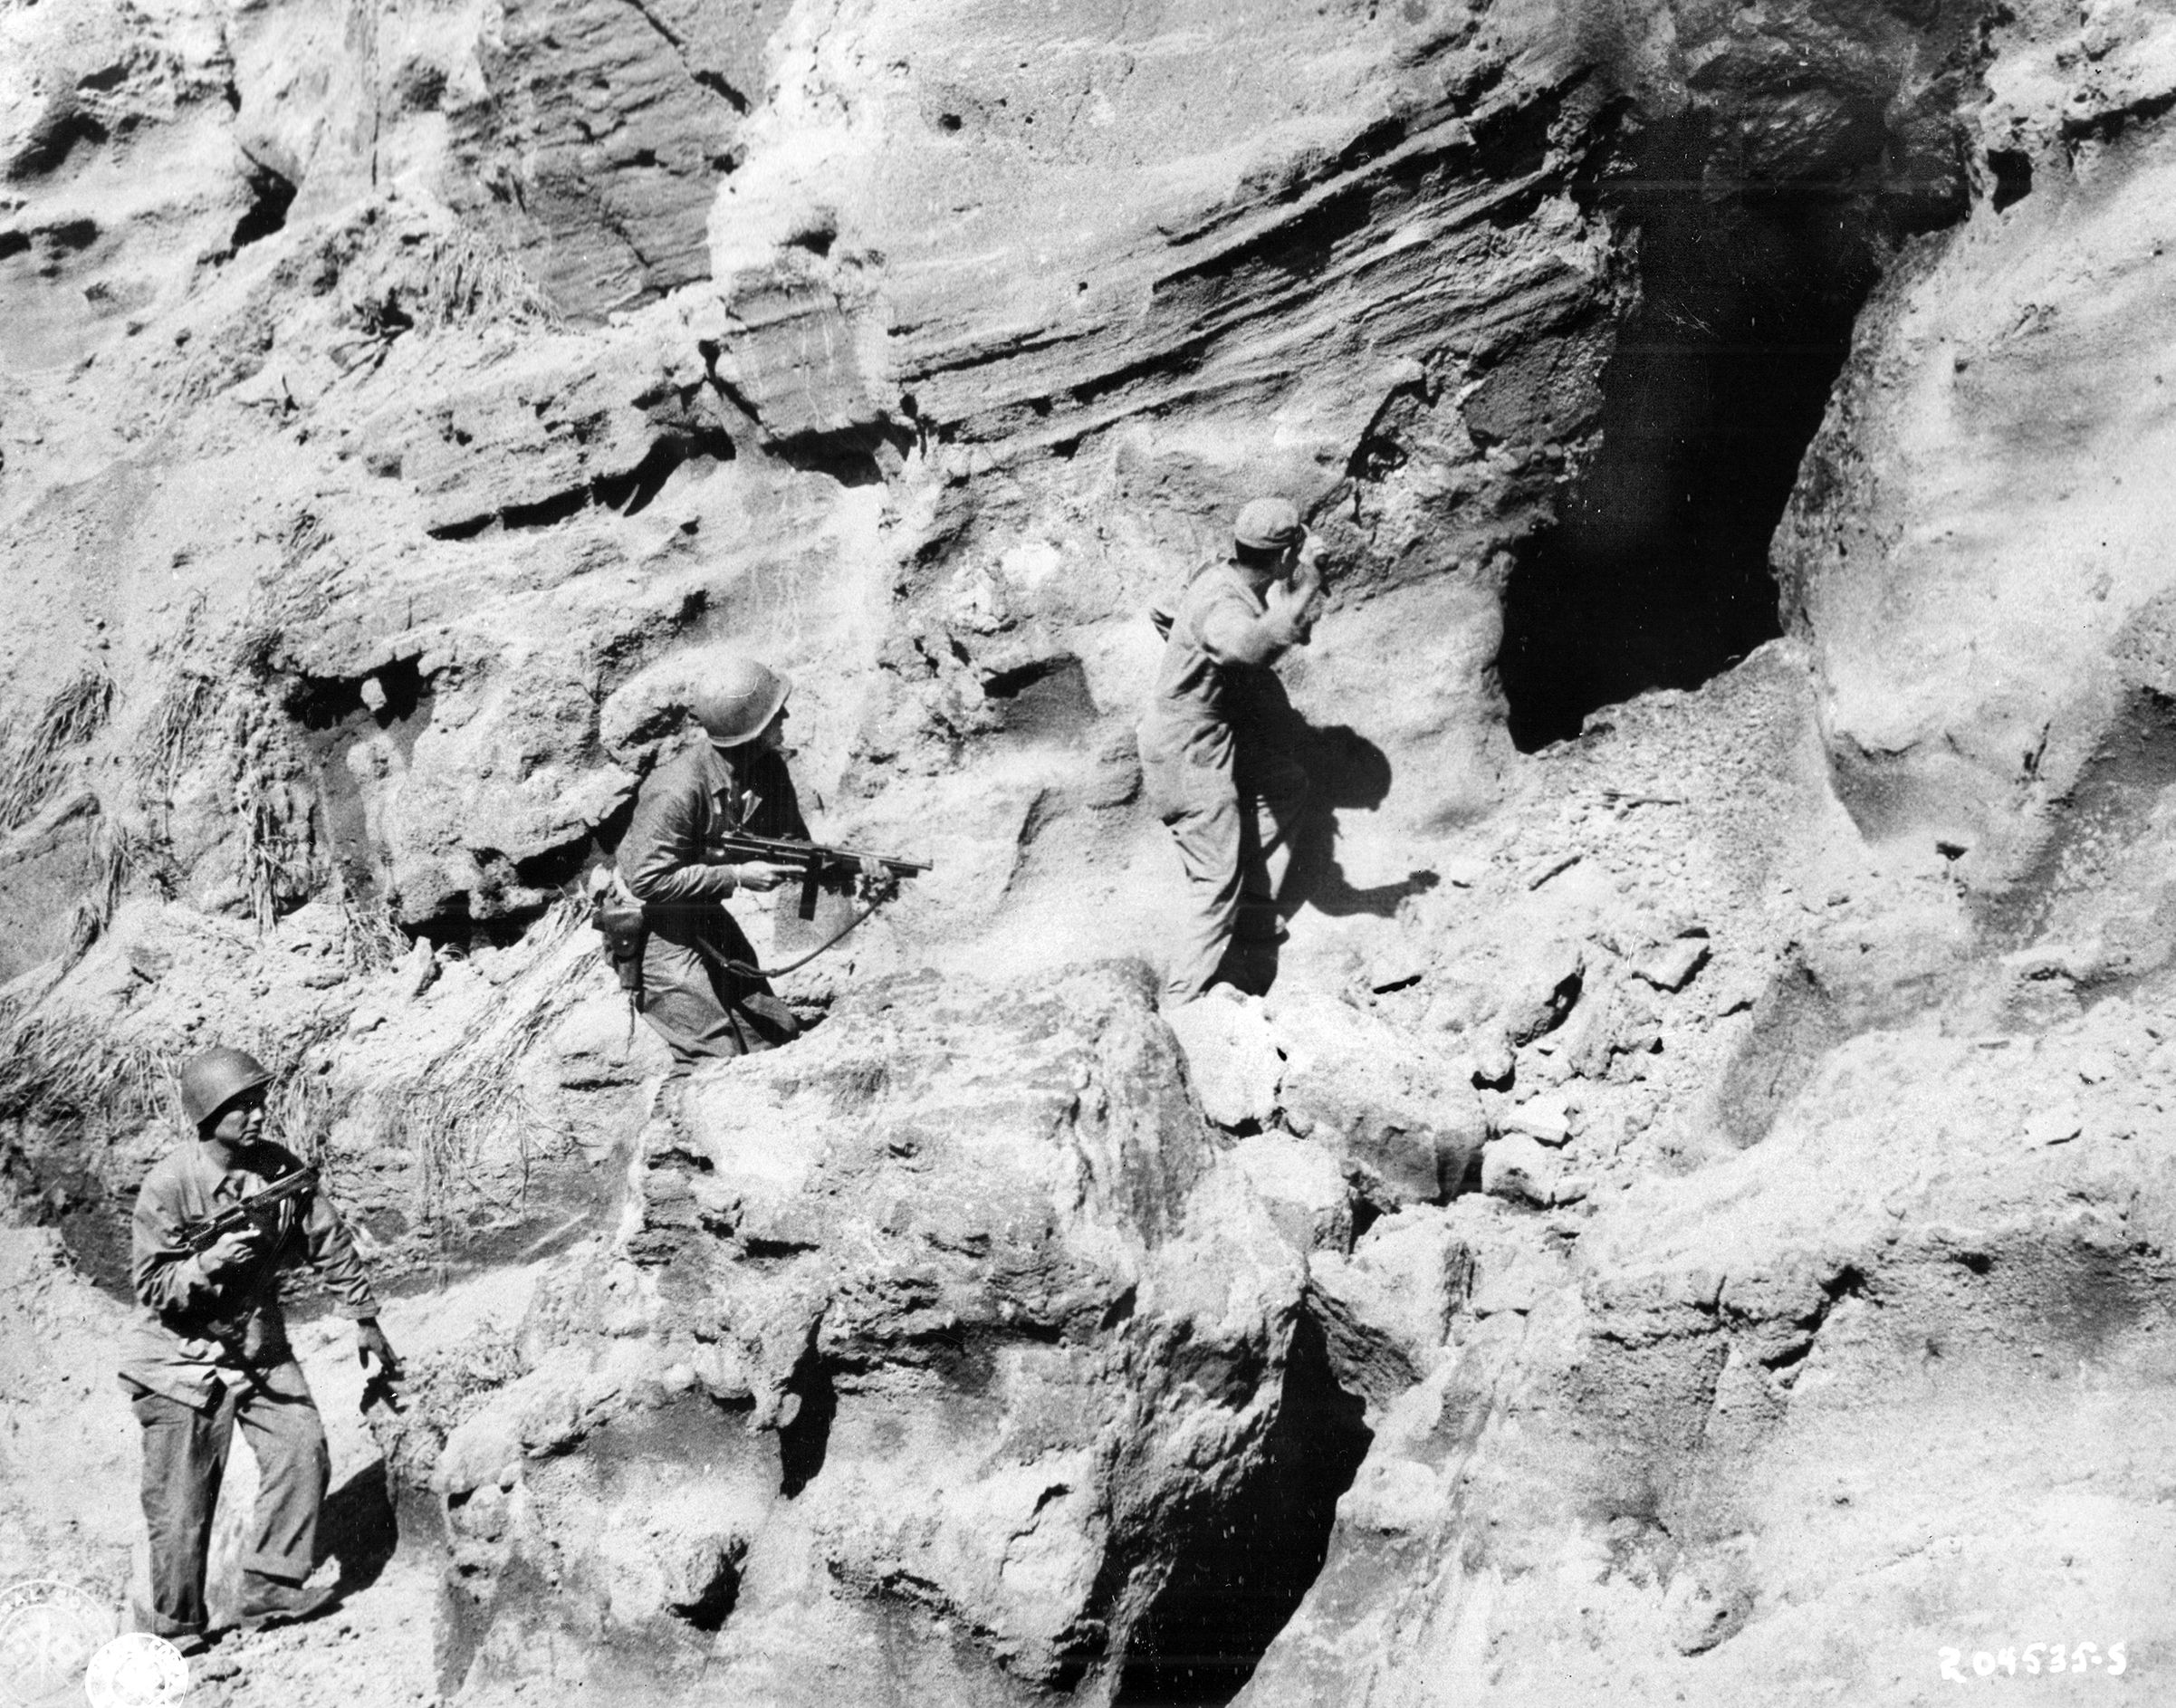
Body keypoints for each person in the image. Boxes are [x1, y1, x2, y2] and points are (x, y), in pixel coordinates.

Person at [120, 1046, 398, 1651]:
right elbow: (153, 1288)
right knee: (182, 1500)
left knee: (302, 1446)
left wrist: (364, 1315)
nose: (257, 1115)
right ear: (207, 1112)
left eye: (258, 1103)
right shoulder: (169, 1185)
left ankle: (269, 1584)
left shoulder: (277, 1172)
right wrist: (209, 1261)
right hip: (177, 1356)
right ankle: (176, 1628)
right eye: (241, 1106)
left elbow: (327, 1237)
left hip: (256, 1343)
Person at [617, 654, 873, 1069]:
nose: (785, 714)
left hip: (701, 910)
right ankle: (673, 1129)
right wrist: (737, 876)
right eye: (775, 712)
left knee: (772, 1033)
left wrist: (859, 868)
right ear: (749, 729)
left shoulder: (767, 769)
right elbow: (647, 881)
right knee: (712, 1053)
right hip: (651, 925)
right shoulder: (677, 790)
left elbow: (792, 847)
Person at [1139, 497, 1324, 1004]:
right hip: (1189, 750)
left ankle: (1252, 916)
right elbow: (1241, 647)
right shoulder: (1224, 604)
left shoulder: (1221, 576)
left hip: (1201, 738)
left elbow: (1164, 611)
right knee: (1214, 881)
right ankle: (1181, 1002)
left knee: (1284, 784)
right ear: (1285, 557)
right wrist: (1303, 592)